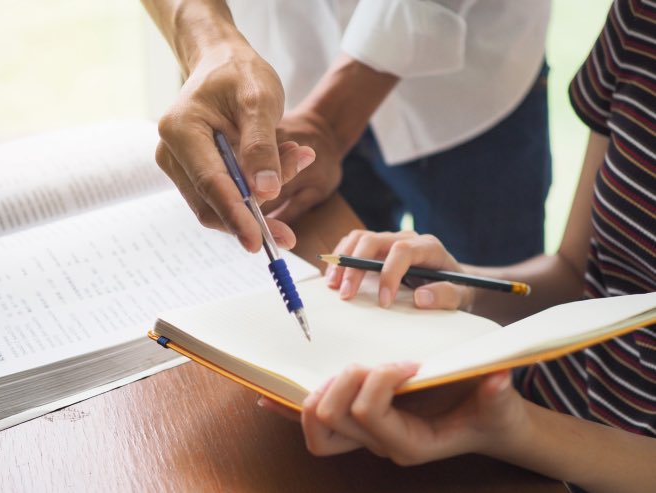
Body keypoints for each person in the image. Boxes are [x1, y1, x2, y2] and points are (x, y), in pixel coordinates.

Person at [259, 2, 656, 491]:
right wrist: (460, 285)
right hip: (521, 427)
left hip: (533, 447)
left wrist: (512, 430)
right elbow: (577, 275)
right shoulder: (640, 18)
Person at [141, 0, 551, 265]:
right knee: (340, 308)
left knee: (493, 329)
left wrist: (328, 123)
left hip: (467, 92)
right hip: (286, 82)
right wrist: (211, 44)